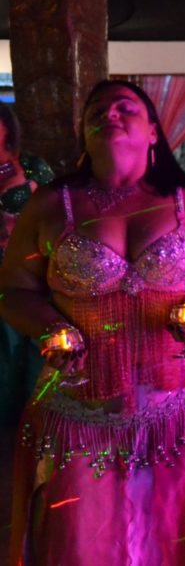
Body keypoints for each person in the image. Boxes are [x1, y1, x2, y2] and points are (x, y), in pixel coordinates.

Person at [2, 80, 185, 565]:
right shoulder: (52, 203)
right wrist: (50, 327)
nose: (110, 113)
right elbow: (12, 291)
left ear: (154, 130)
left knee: (173, 538)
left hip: (176, 405)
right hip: (81, 408)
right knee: (82, 539)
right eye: (97, 108)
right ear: (84, 130)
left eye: (125, 107)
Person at [0, 103, 55, 426]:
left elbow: (59, 212)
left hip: (34, 271)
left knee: (37, 342)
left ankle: (39, 415)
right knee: (4, 350)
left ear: (7, 127)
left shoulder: (33, 167)